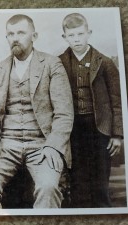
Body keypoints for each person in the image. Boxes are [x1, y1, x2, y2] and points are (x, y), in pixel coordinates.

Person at [0, 14, 74, 209]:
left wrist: (54, 146)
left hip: (43, 143)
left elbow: (64, 112)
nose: (15, 38)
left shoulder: (52, 64)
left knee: (48, 187)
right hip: (5, 143)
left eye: (21, 32)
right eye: (10, 34)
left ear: (34, 36)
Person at [59, 13, 123, 208]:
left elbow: (117, 101)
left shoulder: (104, 63)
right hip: (73, 129)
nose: (76, 39)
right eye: (72, 35)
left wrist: (117, 135)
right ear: (65, 37)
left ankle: (105, 214)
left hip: (99, 127)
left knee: (100, 179)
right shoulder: (59, 62)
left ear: (89, 33)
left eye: (80, 34)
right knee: (78, 179)